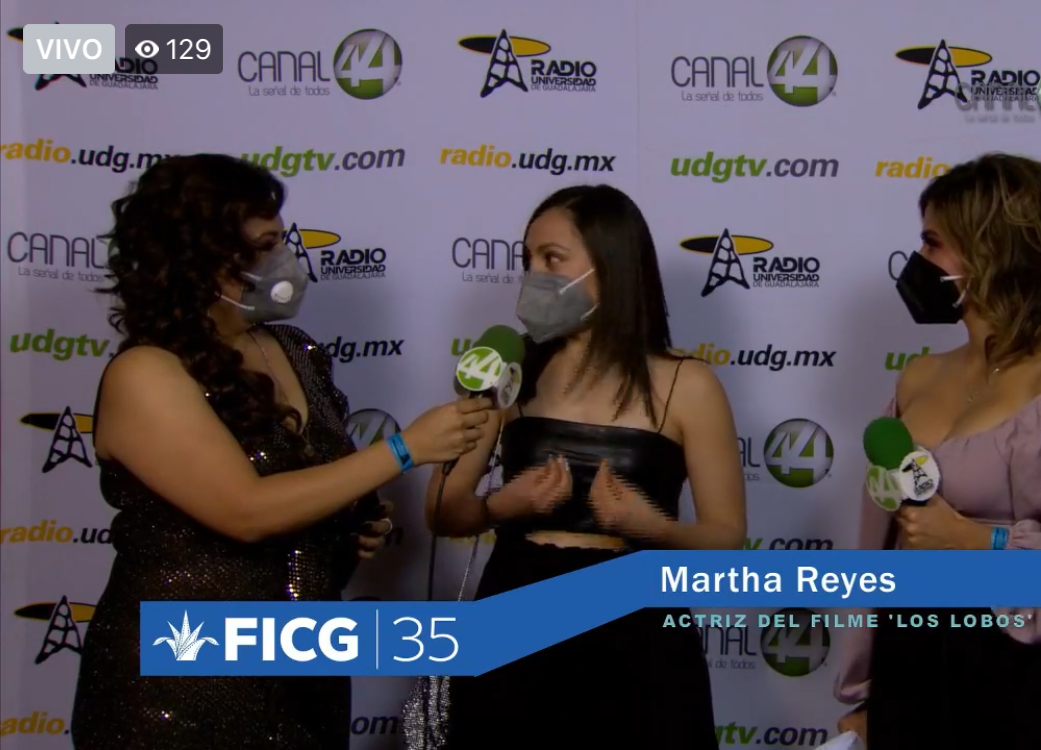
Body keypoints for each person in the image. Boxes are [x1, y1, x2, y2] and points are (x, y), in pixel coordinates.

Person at [69, 154, 492, 749]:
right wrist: (404, 449)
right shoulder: (145, 373)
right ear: (202, 257)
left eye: (282, 240)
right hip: (182, 679)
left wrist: (345, 527)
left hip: (302, 668)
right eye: (266, 246)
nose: (286, 260)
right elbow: (247, 510)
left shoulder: (294, 349)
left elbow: (308, 488)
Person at [414, 184, 745, 748]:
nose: (534, 275)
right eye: (528, 260)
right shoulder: (509, 368)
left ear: (612, 266)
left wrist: (653, 527)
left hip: (636, 624)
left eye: (552, 259)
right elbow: (443, 510)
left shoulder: (688, 384)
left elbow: (727, 536)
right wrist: (502, 506)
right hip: (516, 609)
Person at [835, 153, 1041, 749]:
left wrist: (974, 539)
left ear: (990, 252)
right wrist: (869, 692)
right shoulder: (916, 378)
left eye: (933, 243)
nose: (917, 260)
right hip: (906, 666)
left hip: (1007, 677)